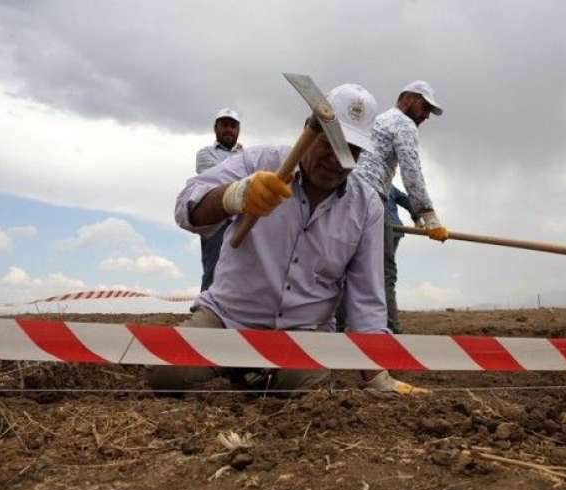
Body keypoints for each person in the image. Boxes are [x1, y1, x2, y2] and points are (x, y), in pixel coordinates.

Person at [157, 83, 429, 395]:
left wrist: (376, 375)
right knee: (168, 374)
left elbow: (366, 298)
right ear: (307, 131)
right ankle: (241, 369)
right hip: (227, 319)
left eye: (351, 150)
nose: (337, 160)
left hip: (303, 336)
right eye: (329, 142)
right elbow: (185, 206)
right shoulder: (259, 163)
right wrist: (233, 196)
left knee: (306, 389)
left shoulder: (366, 206)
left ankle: (255, 375)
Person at [356, 80, 449, 334]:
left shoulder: (379, 121)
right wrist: (428, 215)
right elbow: (411, 169)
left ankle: (338, 340)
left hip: (350, 194)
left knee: (349, 272)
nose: (426, 116)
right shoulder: (403, 123)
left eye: (430, 111)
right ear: (406, 98)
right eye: (424, 106)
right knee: (383, 274)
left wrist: (414, 211)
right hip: (370, 200)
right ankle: (391, 341)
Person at [335, 185, 419, 333]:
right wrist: (417, 218)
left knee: (355, 274)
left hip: (384, 228)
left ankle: (340, 326)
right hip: (390, 230)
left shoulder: (360, 185)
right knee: (383, 278)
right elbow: (407, 200)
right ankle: (391, 327)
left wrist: (419, 217)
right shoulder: (385, 185)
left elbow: (406, 199)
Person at [194, 108, 244, 292]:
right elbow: (216, 180)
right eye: (224, 125)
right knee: (213, 269)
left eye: (233, 126)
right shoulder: (205, 154)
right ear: (216, 128)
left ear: (238, 130)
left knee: (242, 270)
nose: (228, 130)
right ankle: (204, 313)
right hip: (217, 219)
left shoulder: (246, 155)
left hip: (242, 220)